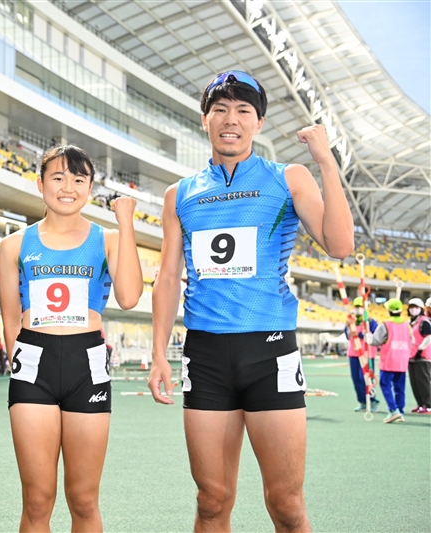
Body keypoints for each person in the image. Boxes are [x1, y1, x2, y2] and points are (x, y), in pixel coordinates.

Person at [148, 70, 354, 532]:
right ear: (205, 119)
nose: (231, 119)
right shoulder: (179, 193)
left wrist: (326, 162)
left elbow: (339, 245)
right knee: (211, 501)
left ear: (258, 123)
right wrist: (158, 353)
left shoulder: (289, 178)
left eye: (243, 110)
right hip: (205, 355)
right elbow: (166, 279)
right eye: (220, 109)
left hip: (270, 352)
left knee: (285, 503)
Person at [0, 145, 143, 532]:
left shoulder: (109, 239)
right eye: (58, 177)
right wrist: (25, 358)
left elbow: (129, 297)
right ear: (41, 183)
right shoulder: (13, 245)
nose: (68, 187)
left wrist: (126, 223)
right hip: (34, 366)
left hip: (87, 366)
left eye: (79, 179)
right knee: (37, 499)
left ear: (91, 187)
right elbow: (10, 319)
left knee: (83, 499)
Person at [367, 298, 413, 423]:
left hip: (389, 361)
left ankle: (393, 410)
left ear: (388, 310)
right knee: (400, 388)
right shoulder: (406, 325)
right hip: (402, 361)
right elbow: (412, 341)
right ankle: (400, 411)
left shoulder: (385, 325)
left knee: (385, 385)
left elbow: (375, 342)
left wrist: (368, 337)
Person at [343, 297, 380, 412]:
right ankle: (362, 401)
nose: (358, 309)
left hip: (367, 354)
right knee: (356, 379)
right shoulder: (351, 322)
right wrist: (349, 327)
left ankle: (372, 400)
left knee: (367, 378)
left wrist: (359, 334)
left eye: (360, 307)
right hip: (354, 353)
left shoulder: (371, 322)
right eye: (357, 307)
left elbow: (374, 337)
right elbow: (347, 336)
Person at [407, 297, 431, 414]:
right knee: (414, 382)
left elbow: (428, 337)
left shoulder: (424, 321)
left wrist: (420, 350)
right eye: (411, 307)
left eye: (415, 307)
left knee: (423, 382)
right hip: (411, 356)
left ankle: (428, 404)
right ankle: (420, 403)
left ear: (420, 309)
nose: (413, 310)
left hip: (422, 356)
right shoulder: (411, 322)